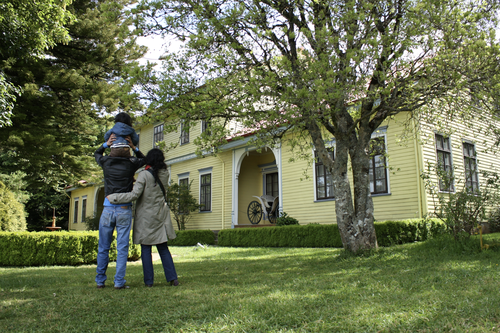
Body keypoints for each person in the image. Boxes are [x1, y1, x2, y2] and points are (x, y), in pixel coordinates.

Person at [107, 148, 179, 287]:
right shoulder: (165, 173)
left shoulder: (144, 175)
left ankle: (149, 281)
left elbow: (134, 195)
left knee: (146, 249)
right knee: (163, 248)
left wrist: (114, 197)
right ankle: (173, 278)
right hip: (160, 215)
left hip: (146, 216)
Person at [94, 134, 146, 289]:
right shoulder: (131, 163)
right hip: (124, 209)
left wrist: (105, 144)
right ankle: (118, 282)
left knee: (103, 246)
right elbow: (144, 159)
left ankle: (100, 281)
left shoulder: (106, 162)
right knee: (122, 247)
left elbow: (97, 154)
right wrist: (134, 147)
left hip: (108, 208)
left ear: (112, 150)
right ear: (126, 150)